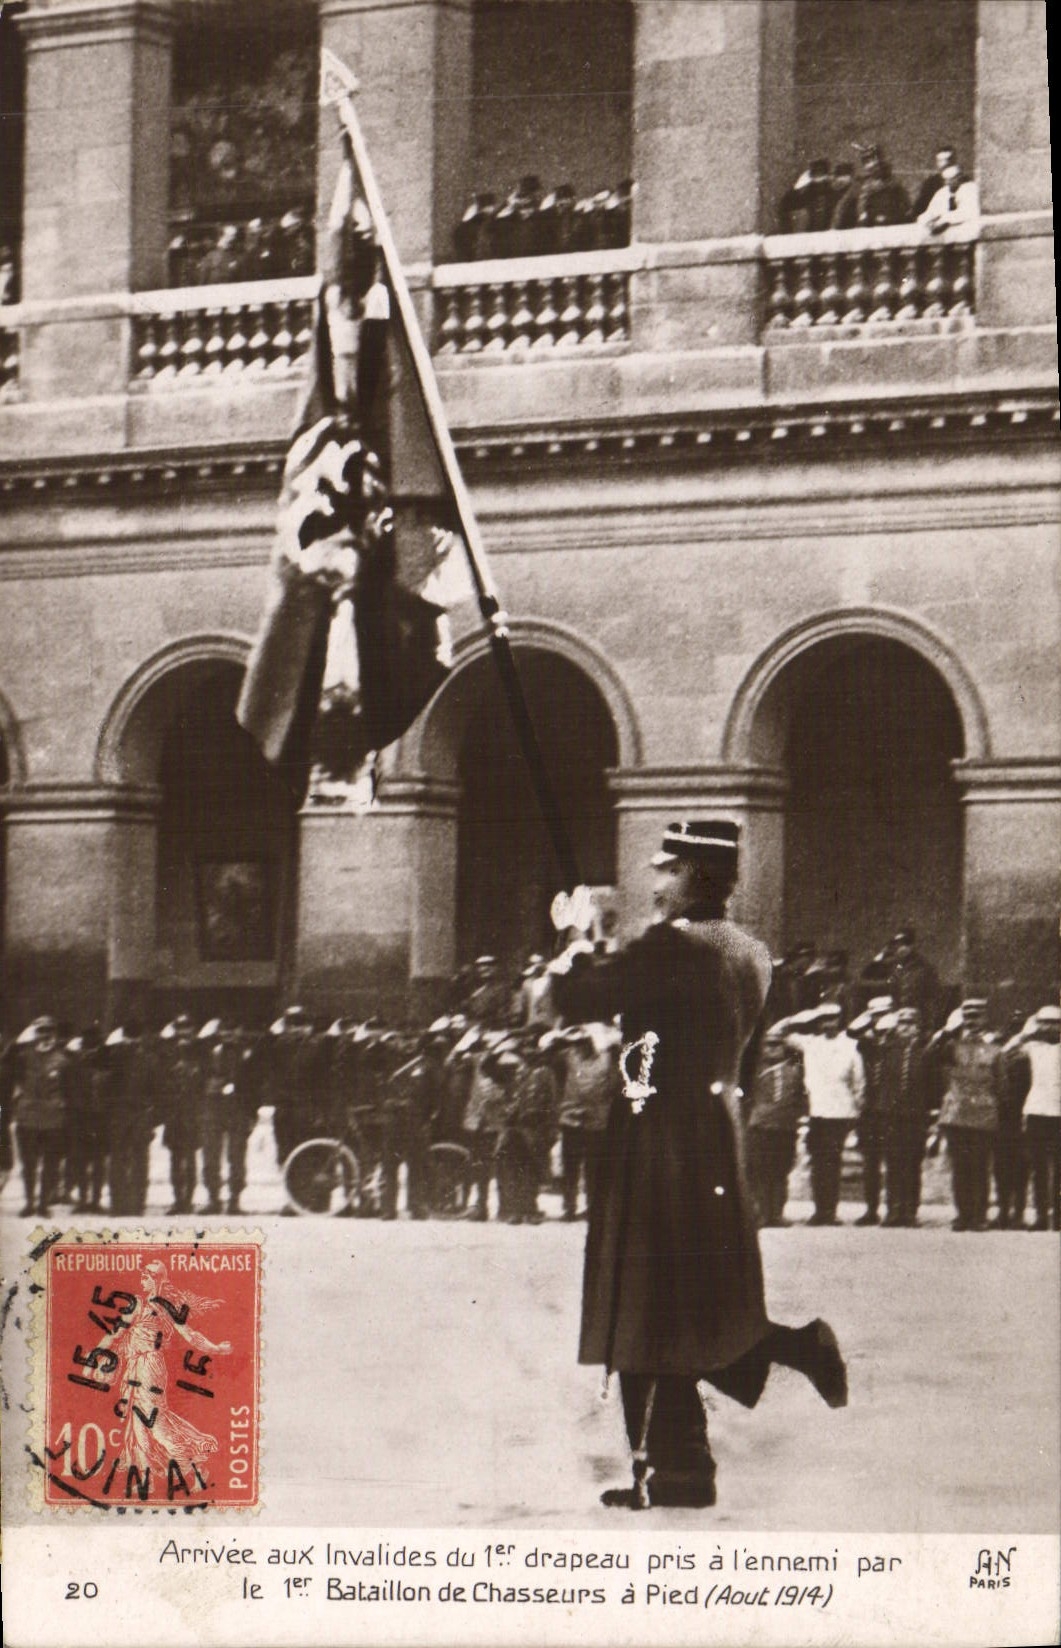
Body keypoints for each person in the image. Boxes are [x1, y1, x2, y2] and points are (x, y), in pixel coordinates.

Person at [545, 820, 847, 1511]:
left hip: (656, 1140)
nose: (656, 883)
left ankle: (790, 1353)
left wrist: (578, 938)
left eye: (668, 870)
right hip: (711, 1132)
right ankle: (680, 1473)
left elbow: (581, 998)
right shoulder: (748, 949)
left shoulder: (673, 945)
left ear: (698, 877)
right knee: (684, 1303)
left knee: (645, 1305)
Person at [782, 1004, 865, 1225]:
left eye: (833, 1019)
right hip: (815, 1111)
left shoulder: (850, 1046)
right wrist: (803, 1017)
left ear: (839, 1020)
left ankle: (830, 1211)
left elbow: (859, 1082)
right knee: (818, 1162)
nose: (828, 1024)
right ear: (817, 1023)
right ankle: (820, 1211)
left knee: (832, 1162)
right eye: (823, 1020)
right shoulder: (810, 1043)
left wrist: (855, 1111)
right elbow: (784, 1033)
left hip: (839, 1112)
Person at [936, 998, 1002, 1231]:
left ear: (985, 1018)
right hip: (956, 1113)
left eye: (977, 1016)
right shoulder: (951, 1045)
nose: (972, 1021)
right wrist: (945, 1031)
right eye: (968, 1016)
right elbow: (934, 1067)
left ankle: (978, 1216)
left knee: (980, 1166)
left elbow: (1001, 1081)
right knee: (960, 1167)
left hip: (984, 1112)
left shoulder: (997, 1044)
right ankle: (962, 1214)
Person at [744, 1027, 806, 1226]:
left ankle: (776, 1213)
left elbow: (801, 1097)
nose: (772, 1049)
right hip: (760, 1126)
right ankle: (760, 1213)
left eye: (777, 1045)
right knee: (759, 1172)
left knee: (781, 1171)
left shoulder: (795, 1069)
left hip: (785, 1127)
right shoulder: (755, 1070)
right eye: (768, 1045)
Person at [878, 1007, 933, 1226]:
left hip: (916, 1115)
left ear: (918, 1028)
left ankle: (910, 1210)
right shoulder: (888, 1050)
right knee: (892, 1163)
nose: (906, 1028)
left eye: (911, 1024)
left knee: (912, 1163)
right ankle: (892, 1210)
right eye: (902, 1024)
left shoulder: (926, 1051)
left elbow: (934, 1082)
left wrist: (931, 1111)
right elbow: (881, 1081)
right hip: (892, 1115)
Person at [13, 1016, 71, 1217]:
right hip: (28, 1118)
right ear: (34, 1033)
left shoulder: (63, 1060)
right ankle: (29, 1202)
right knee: (28, 1163)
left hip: (53, 1120)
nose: (46, 1035)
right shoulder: (23, 1057)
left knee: (51, 1164)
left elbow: (70, 1089)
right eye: (41, 1031)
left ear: (54, 1034)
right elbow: (13, 1080)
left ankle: (43, 1204)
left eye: (49, 1031)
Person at [1011, 1005, 1060, 1231]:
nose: (1050, 1027)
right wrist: (1026, 1031)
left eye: (1055, 1023)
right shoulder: (1033, 1047)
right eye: (1045, 1023)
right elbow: (1007, 1052)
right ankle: (1041, 1215)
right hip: (1037, 1111)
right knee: (1038, 1167)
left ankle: (1058, 1217)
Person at [832, 144, 910, 229]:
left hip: (889, 228)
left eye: (873, 159)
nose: (870, 165)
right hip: (865, 229)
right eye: (866, 161)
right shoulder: (859, 185)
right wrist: (835, 228)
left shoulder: (894, 184)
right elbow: (842, 207)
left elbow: (906, 207)